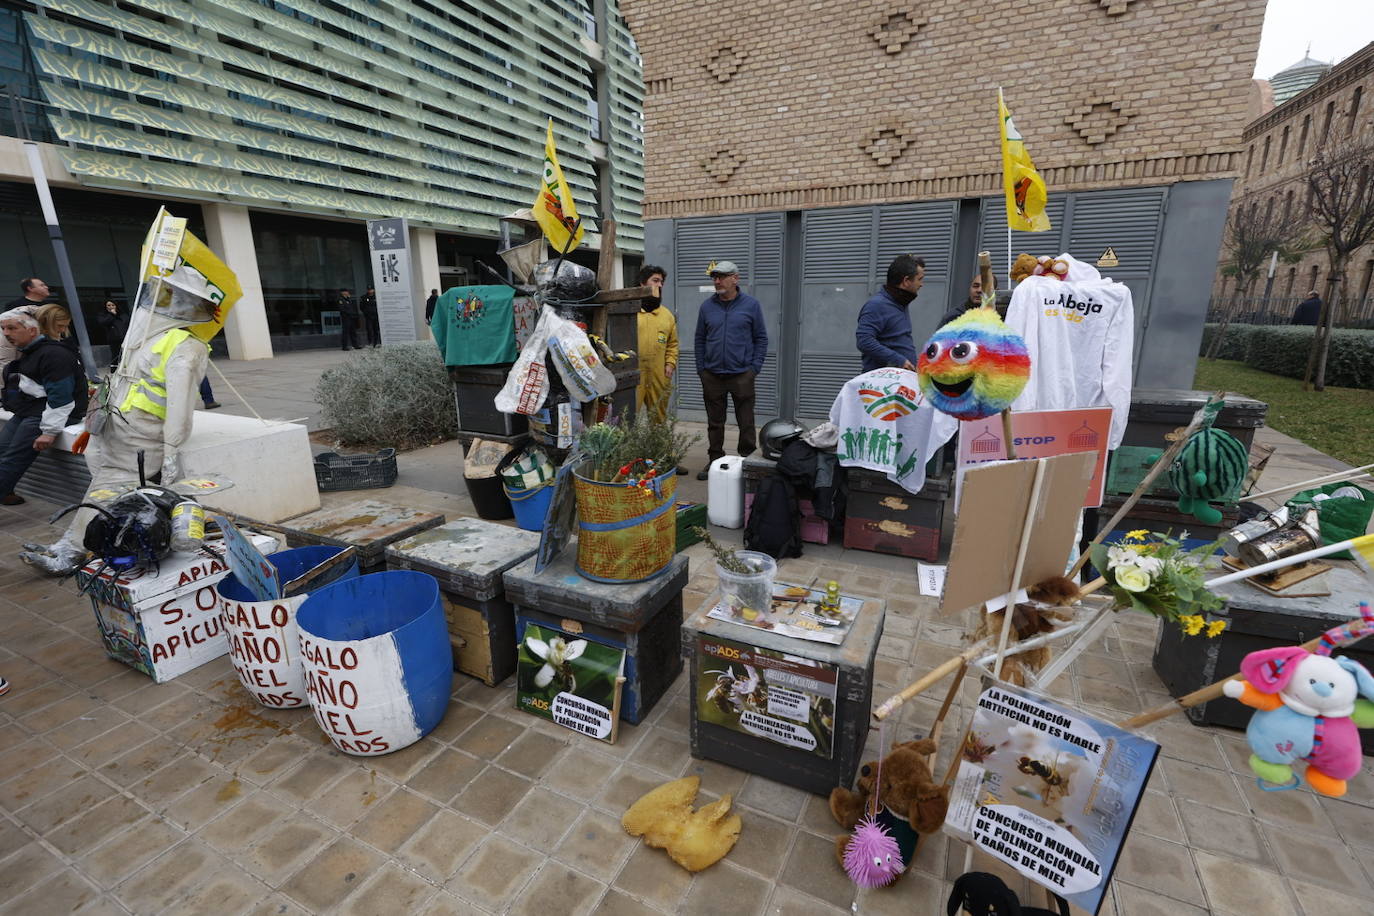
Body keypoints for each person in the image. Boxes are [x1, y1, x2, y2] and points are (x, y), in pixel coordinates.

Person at [694, 260, 767, 481]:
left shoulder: (751, 305)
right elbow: (700, 338)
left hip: (742, 374)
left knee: (746, 421)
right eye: (714, 277)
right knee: (715, 422)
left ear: (735, 278)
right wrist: (701, 368)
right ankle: (715, 458)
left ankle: (747, 461)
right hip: (712, 375)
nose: (717, 281)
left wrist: (754, 368)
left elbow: (761, 338)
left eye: (722, 276)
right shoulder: (707, 307)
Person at [0, 309, 80, 509]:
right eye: (3, 329)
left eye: (12, 328)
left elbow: (61, 398)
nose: (6, 333)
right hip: (31, 410)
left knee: (12, 458)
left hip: (48, 413)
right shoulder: (30, 353)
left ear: (32, 331)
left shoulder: (53, 354)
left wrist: (49, 431)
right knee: (3, 450)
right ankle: (5, 491)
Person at [635, 266, 685, 472]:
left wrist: (670, 364)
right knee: (628, 420)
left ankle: (663, 460)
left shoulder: (666, 315)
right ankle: (629, 462)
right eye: (655, 280)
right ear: (642, 284)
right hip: (634, 374)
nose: (659, 285)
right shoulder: (628, 311)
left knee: (659, 419)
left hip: (658, 374)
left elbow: (673, 344)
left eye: (661, 282)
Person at [856, 255, 924, 372]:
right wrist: (899, 360)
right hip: (881, 384)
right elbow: (864, 341)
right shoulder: (877, 305)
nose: (921, 284)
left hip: (899, 381)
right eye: (920, 279)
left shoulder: (901, 303)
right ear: (906, 281)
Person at [96, 297, 131, 369]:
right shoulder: (103, 315)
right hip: (114, 339)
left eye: (113, 305)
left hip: (124, 338)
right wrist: (112, 315)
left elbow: (127, 323)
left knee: (127, 354)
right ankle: (114, 370)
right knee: (116, 355)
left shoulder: (122, 314)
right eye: (109, 305)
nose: (111, 307)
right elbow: (103, 322)